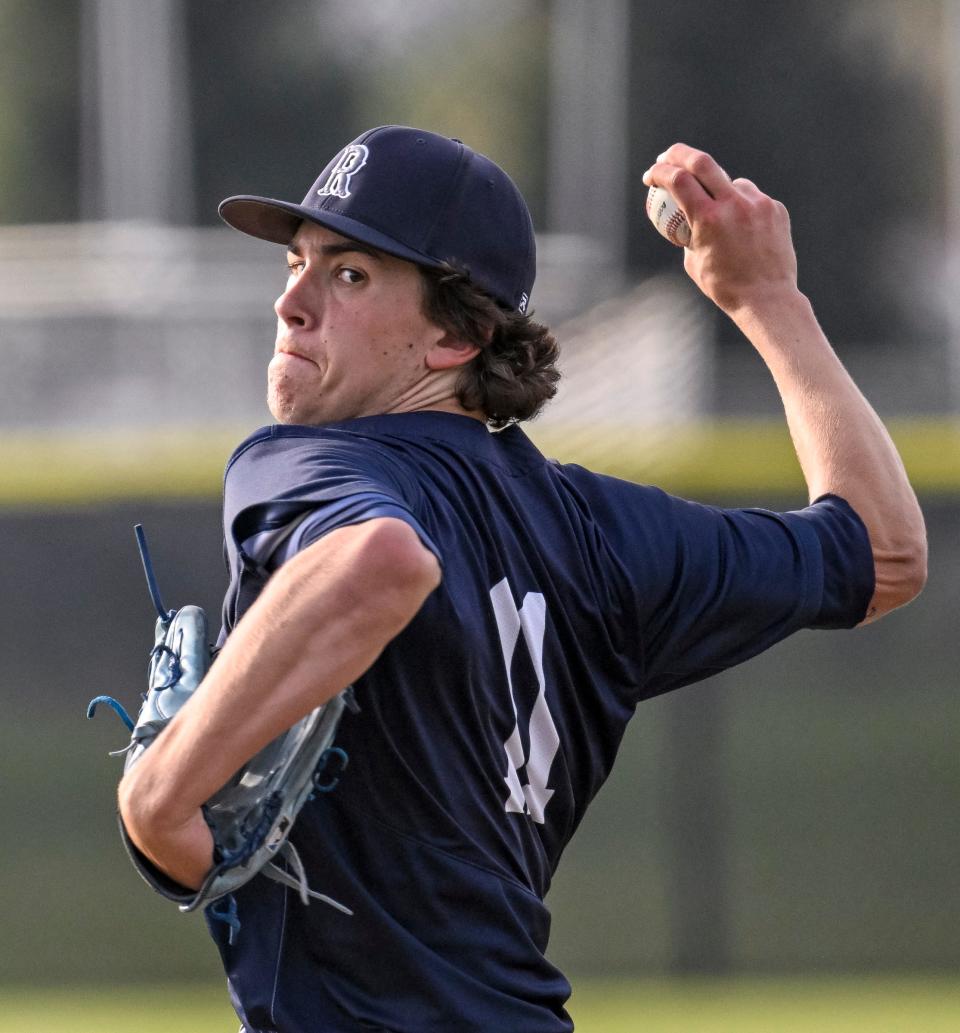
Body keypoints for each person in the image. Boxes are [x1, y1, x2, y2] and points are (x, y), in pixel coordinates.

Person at [116, 125, 926, 1032]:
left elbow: (380, 561)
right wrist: (770, 299)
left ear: (455, 337)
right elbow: (884, 553)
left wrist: (157, 795)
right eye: (296, 263)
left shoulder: (307, 467)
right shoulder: (603, 535)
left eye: (348, 275)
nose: (293, 302)